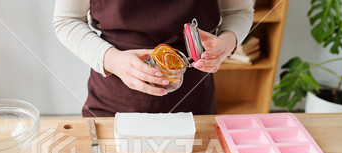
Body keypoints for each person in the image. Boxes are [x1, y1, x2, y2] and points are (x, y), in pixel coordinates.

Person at [53, 0, 254, 117]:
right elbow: (66, 20)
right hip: (113, 100)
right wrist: (113, 60)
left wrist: (227, 42)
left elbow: (239, 12)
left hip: (194, 99)